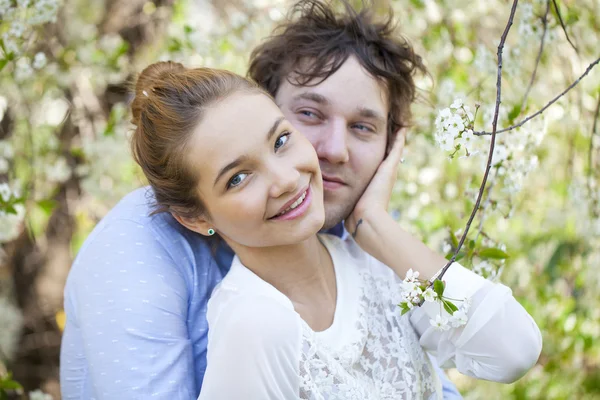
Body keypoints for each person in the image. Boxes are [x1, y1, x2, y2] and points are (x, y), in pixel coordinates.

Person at [59, 1, 538, 398]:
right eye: (310, 114)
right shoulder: (153, 254)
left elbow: (504, 354)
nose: (332, 151)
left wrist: (377, 228)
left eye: (363, 127)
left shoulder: (361, 255)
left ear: (393, 146)